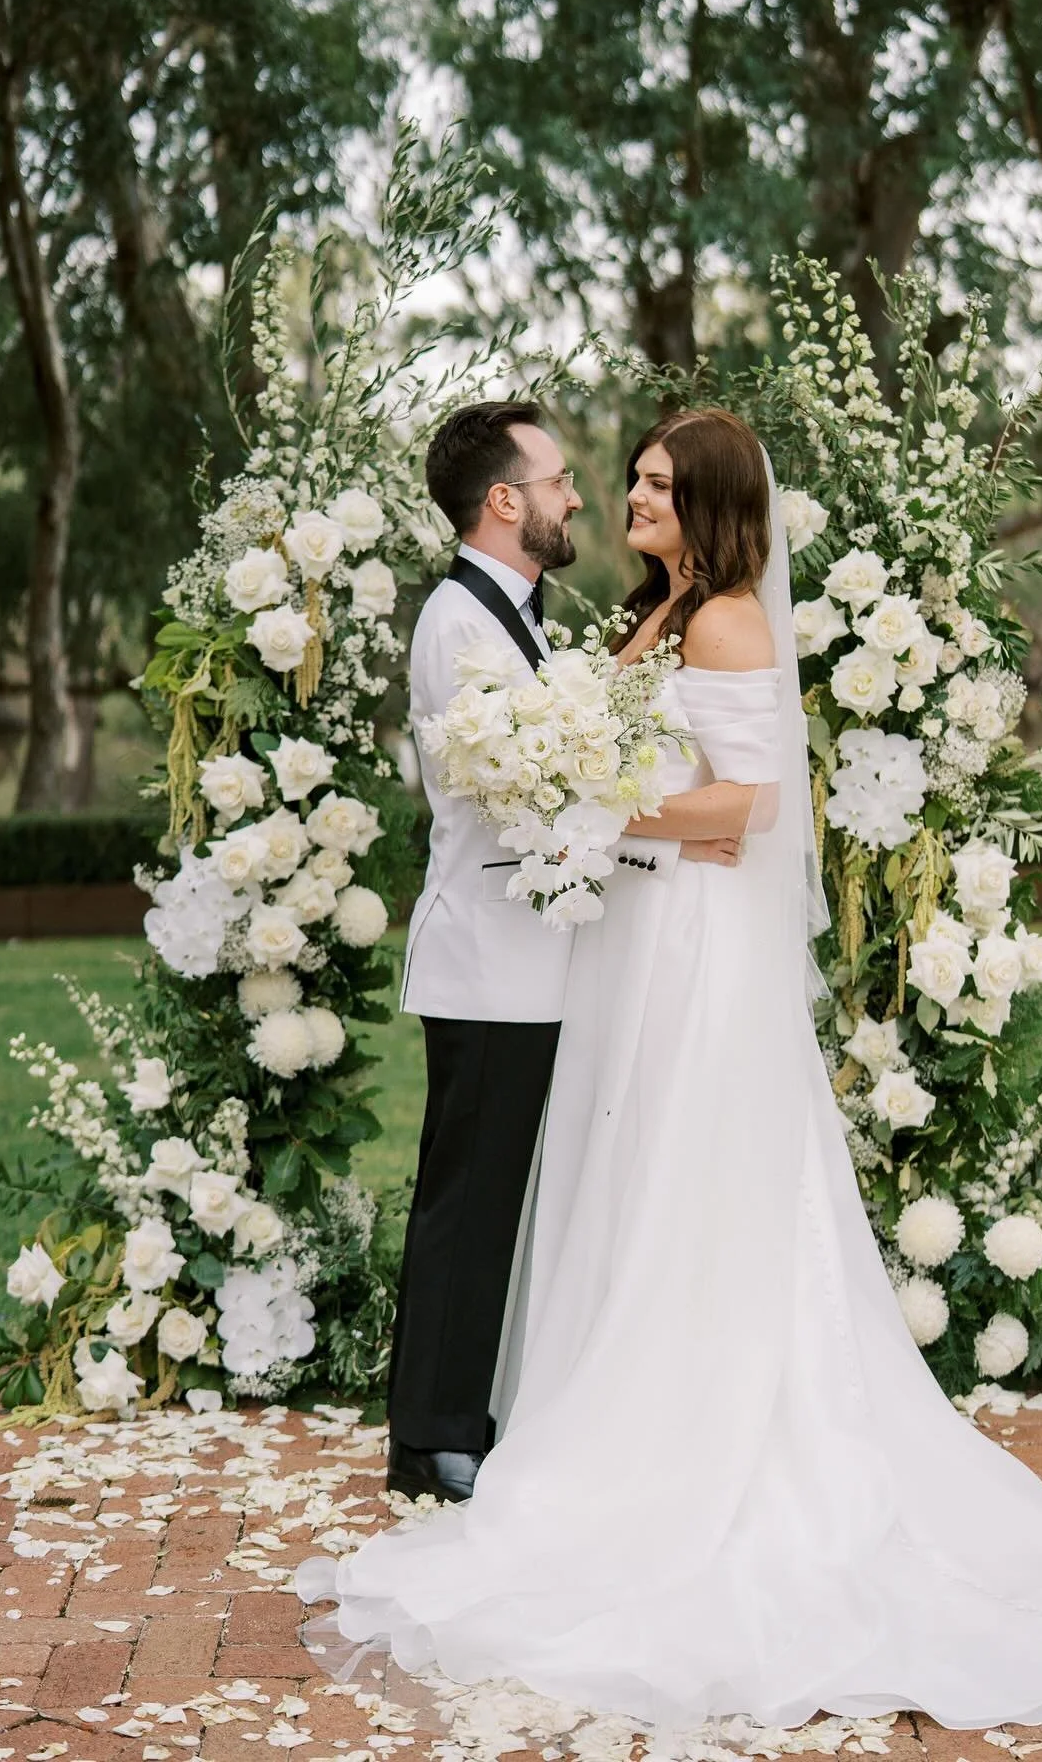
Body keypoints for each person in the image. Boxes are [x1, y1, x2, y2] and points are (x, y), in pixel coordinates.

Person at [297, 408, 1042, 1731]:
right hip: (626, 938)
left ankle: (680, 1430)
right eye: (617, 478)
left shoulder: (731, 618)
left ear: (712, 503)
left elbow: (747, 808)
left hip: (688, 949)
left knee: (686, 1175)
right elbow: (623, 756)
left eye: (654, 483)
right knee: (622, 1183)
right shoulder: (662, 611)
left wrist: (604, 794)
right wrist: (603, 777)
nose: (626, 492)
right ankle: (583, 1416)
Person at [388, 401, 729, 1505]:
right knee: (467, 1198)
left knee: (492, 1196)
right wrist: (660, 822)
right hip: (489, 956)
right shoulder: (460, 623)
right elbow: (516, 791)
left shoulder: (516, 612)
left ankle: (456, 1415)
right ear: (505, 501)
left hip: (530, 958)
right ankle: (434, 1435)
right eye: (559, 480)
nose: (578, 495)